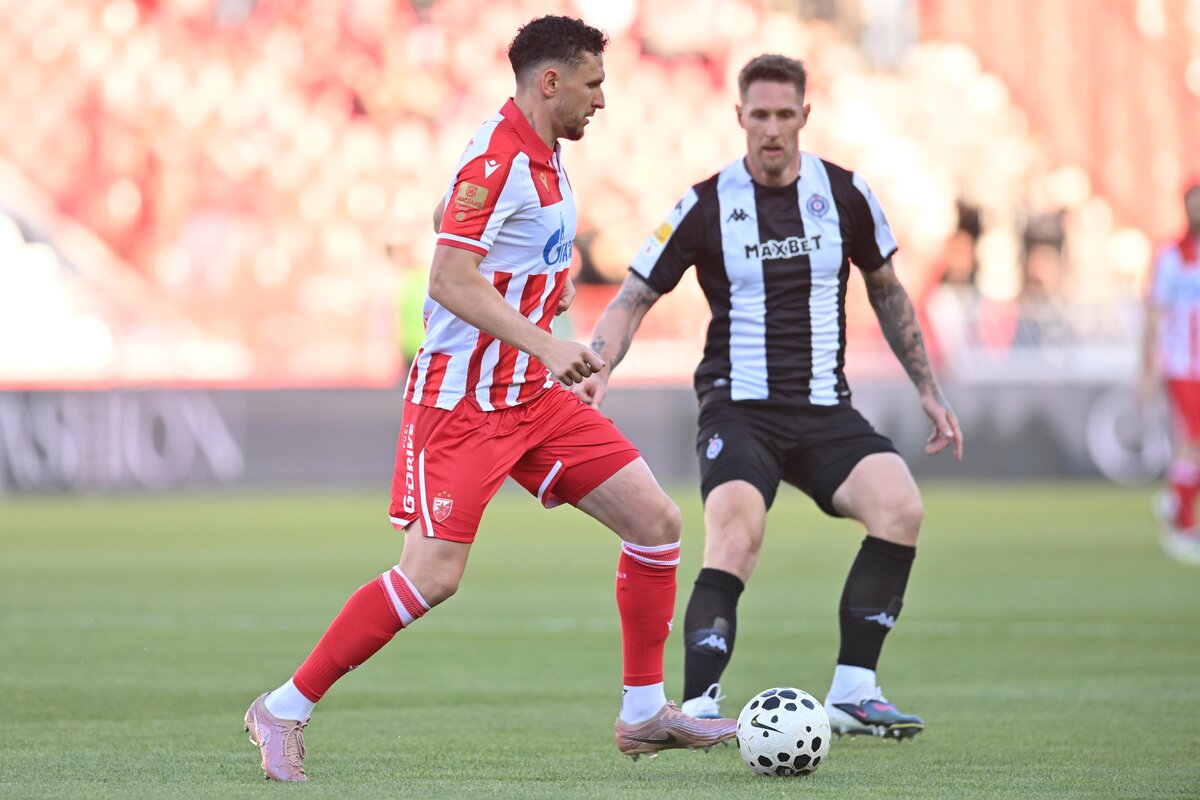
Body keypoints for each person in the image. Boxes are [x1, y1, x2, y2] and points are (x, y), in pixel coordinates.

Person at [244, 16, 736, 782]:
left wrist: (550, 315)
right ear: (551, 82)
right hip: (461, 403)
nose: (602, 101)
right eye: (593, 84)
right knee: (432, 576)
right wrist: (545, 341)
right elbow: (446, 275)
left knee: (656, 521)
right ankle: (283, 707)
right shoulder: (501, 155)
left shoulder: (544, 156)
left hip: (531, 397)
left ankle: (643, 712)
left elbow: (464, 230)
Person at [574, 54, 963, 740]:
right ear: (739, 118)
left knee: (900, 505)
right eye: (761, 115)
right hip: (738, 406)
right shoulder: (703, 204)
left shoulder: (845, 193)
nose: (773, 129)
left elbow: (887, 290)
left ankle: (853, 690)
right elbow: (634, 295)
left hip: (822, 408)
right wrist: (599, 364)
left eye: (786, 115)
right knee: (736, 535)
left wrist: (927, 390)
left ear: (805, 116)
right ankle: (697, 708)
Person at [1141, 181, 1200, 566]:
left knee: (1190, 446)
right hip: (1183, 365)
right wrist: (1146, 369)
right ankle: (1181, 524)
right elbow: (1154, 316)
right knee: (1192, 441)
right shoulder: (1170, 257)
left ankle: (1174, 502)